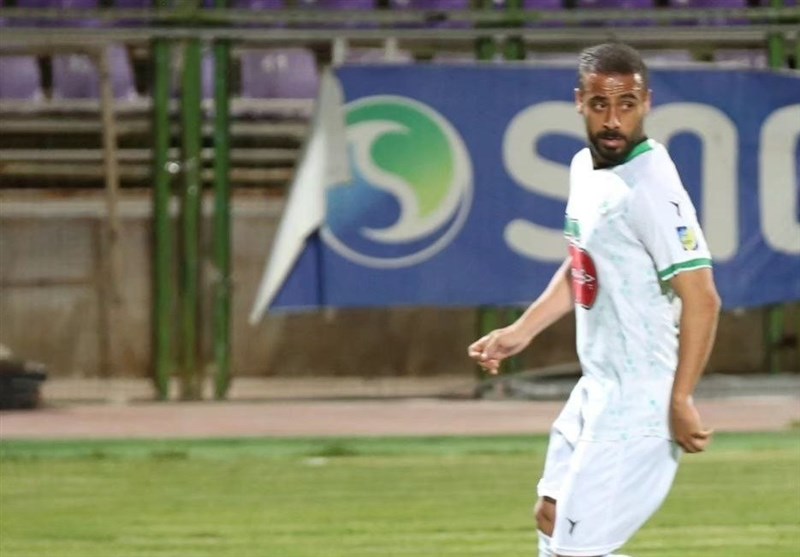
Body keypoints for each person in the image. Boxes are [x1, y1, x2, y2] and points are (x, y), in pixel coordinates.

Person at [467, 42, 721, 557]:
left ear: (646, 103)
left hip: (640, 404)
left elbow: (703, 299)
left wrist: (680, 399)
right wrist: (521, 331)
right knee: (551, 515)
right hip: (599, 389)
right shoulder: (585, 168)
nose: (613, 120)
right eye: (601, 104)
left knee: (574, 549)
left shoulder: (652, 188)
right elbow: (586, 262)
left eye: (626, 104)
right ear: (579, 101)